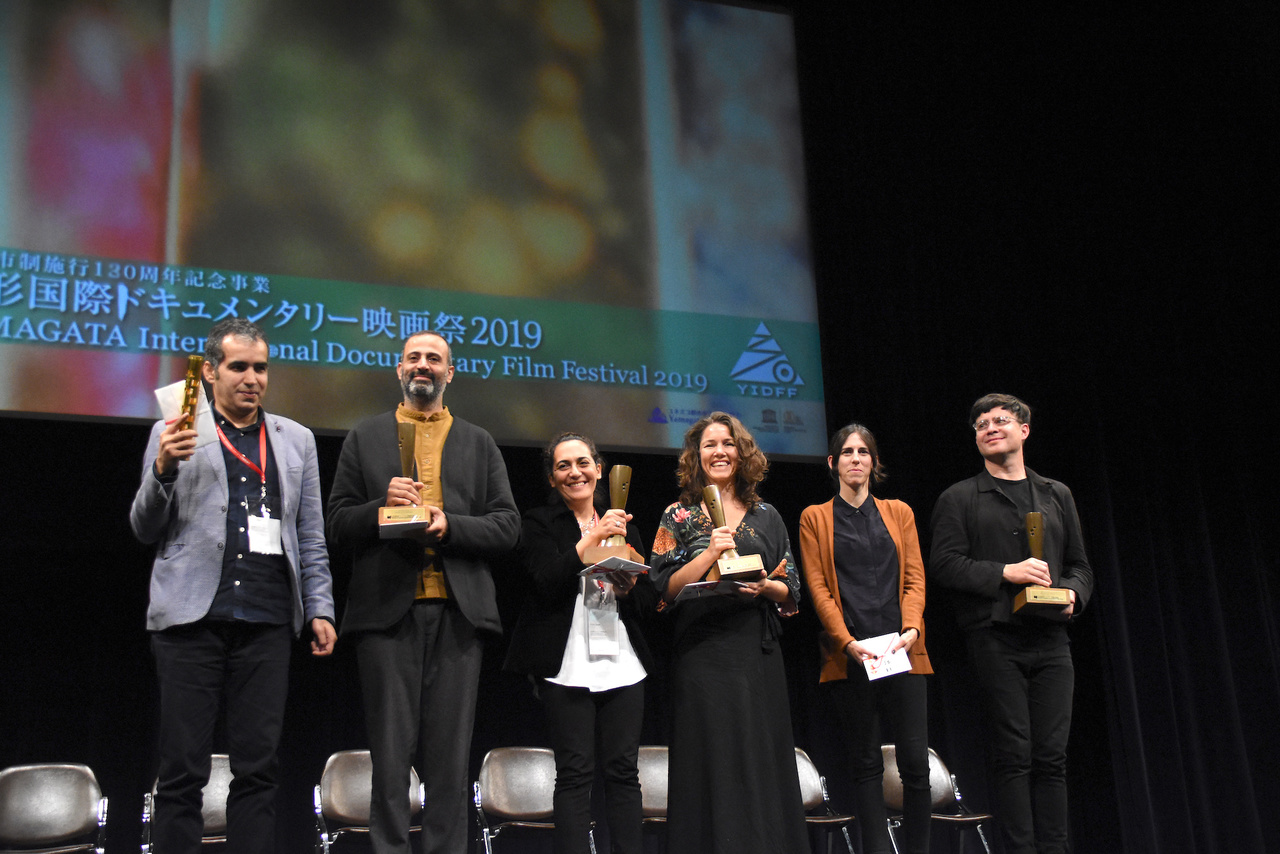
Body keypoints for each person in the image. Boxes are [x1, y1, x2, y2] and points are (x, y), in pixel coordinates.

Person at [129, 318, 336, 854]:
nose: (252, 378)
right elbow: (143, 528)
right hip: (190, 620)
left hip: (267, 620)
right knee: (181, 773)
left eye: (260, 368)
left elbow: (309, 534)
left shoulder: (297, 440)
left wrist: (321, 608)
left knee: (258, 771)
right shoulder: (174, 429)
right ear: (210, 371)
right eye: (239, 366)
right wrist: (163, 470)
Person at [326, 330, 519, 854]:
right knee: (390, 761)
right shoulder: (365, 437)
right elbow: (337, 523)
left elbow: (507, 527)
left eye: (434, 359)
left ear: (449, 373)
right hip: (386, 616)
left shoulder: (478, 442)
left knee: (450, 762)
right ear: (399, 369)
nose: (423, 365)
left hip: (460, 615)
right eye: (414, 357)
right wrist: (381, 507)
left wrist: (449, 525)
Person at [930, 393, 1094, 854]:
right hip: (995, 638)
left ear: (1024, 430)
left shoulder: (1056, 493)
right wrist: (1006, 572)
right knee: (1015, 755)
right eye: (980, 424)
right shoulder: (960, 497)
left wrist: (1072, 596)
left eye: (1000, 420)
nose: (988, 427)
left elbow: (1080, 564)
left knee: (1052, 757)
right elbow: (944, 564)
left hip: (1051, 639)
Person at [648, 411, 808, 854]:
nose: (719, 452)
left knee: (760, 756)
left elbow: (790, 587)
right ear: (695, 458)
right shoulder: (677, 514)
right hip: (701, 654)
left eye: (727, 444)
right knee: (710, 758)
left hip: (755, 654)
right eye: (709, 446)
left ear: (742, 453)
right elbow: (663, 587)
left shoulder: (768, 515)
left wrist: (764, 586)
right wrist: (709, 555)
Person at [504, 432, 656, 854]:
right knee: (574, 774)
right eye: (563, 466)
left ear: (599, 469)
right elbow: (545, 581)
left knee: (624, 772)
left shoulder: (625, 526)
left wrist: (628, 589)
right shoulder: (537, 523)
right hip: (566, 662)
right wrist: (591, 539)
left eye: (583, 463)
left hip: (622, 663)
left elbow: (648, 599)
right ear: (552, 479)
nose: (575, 472)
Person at [799, 423, 932, 854]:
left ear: (873, 462)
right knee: (866, 764)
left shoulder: (899, 511)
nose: (855, 458)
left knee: (915, 763)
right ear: (832, 462)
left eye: (863, 452)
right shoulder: (815, 517)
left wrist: (912, 629)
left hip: (903, 651)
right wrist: (845, 641)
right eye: (847, 452)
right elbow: (817, 587)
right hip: (853, 655)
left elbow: (914, 578)